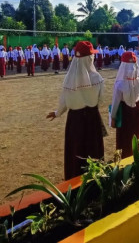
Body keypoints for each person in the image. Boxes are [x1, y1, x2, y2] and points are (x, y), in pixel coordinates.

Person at [46, 41, 105, 180]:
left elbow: (64, 101)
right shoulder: (97, 78)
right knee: (93, 150)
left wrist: (57, 113)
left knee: (76, 150)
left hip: (75, 119)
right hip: (93, 118)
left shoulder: (69, 79)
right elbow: (101, 101)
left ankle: (74, 180)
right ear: (89, 58)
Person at [110, 51, 139, 157]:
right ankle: (135, 155)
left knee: (124, 137)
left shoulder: (120, 84)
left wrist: (113, 117)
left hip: (124, 113)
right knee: (135, 133)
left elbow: (115, 102)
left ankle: (125, 157)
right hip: (136, 111)